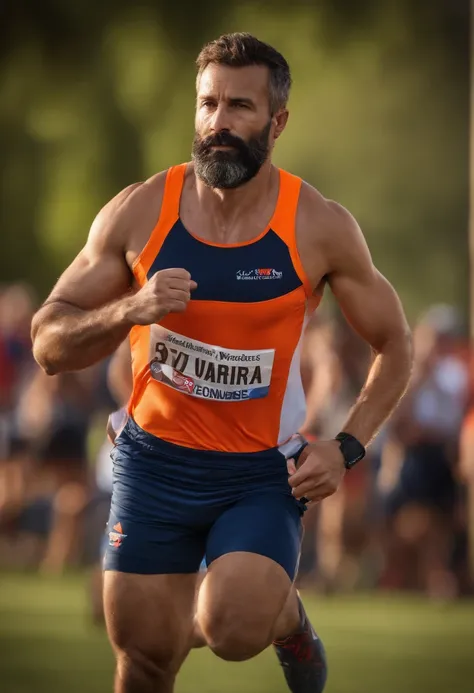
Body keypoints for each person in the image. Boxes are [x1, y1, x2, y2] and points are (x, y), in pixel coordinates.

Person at [31, 32, 412, 693]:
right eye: (208, 104)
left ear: (277, 121)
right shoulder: (141, 209)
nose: (219, 124)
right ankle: (212, 614)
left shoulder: (317, 225)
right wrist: (131, 309)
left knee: (233, 625)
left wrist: (347, 447)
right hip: (153, 462)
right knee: (144, 659)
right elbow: (48, 341)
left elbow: (396, 344)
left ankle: (282, 613)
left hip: (259, 472)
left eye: (240, 106)